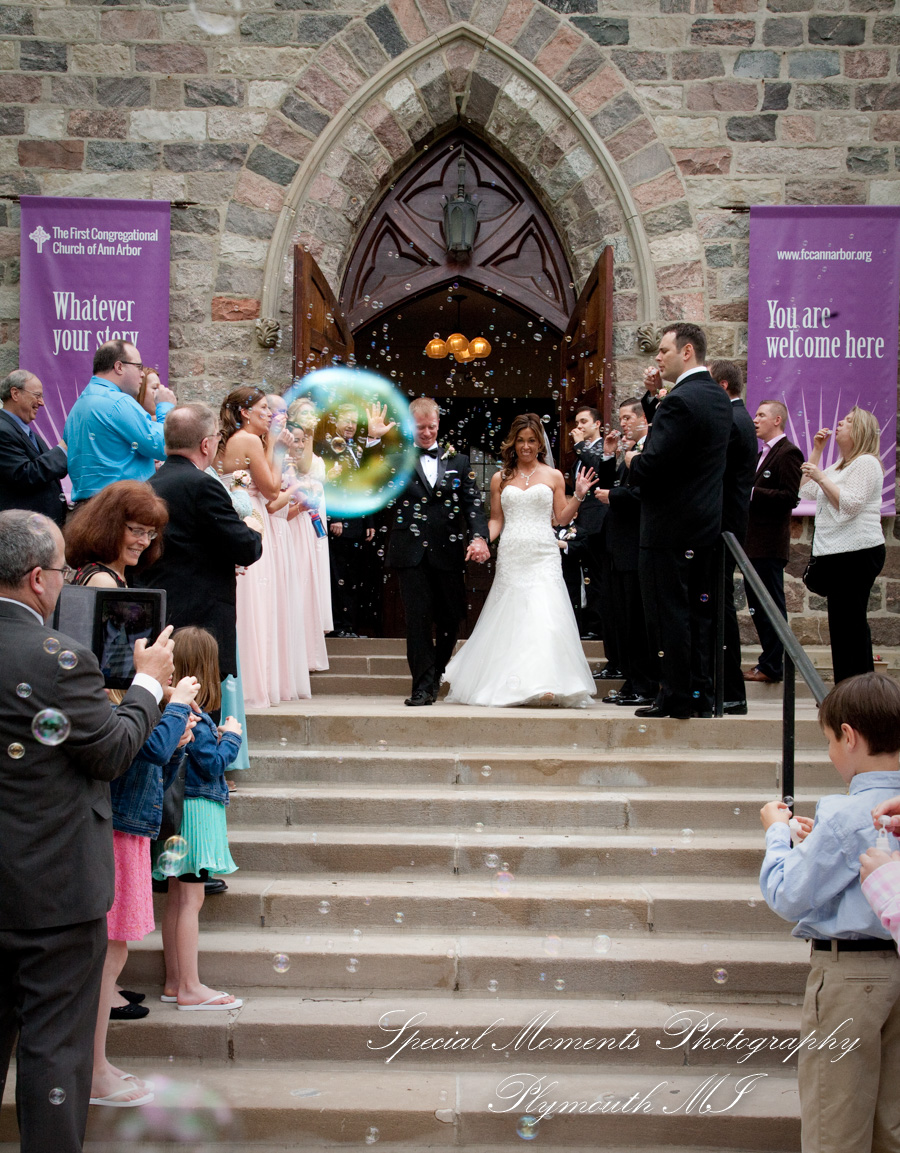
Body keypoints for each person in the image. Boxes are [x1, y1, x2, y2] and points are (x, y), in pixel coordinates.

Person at [0, 509, 174, 1153]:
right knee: (53, 1048)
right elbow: (111, 752)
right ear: (39, 580)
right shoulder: (59, 660)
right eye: (60, 572)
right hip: (51, 889)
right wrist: (150, 683)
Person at [759, 672, 900, 1153]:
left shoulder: (844, 813)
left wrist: (778, 835)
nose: (830, 754)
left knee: (834, 1125)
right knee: (892, 1127)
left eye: (828, 742)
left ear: (849, 735)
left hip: (849, 975)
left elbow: (788, 895)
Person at [90, 677, 199, 1108]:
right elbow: (143, 755)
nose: (170, 683)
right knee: (108, 955)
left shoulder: (138, 716)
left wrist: (177, 745)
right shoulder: (117, 712)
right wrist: (174, 709)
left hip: (131, 838)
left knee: (115, 954)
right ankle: (94, 1069)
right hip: (116, 838)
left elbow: (157, 773)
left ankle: (97, 1061)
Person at [442, 413, 598, 708]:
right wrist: (480, 541)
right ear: (513, 443)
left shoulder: (552, 476)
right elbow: (496, 520)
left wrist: (578, 495)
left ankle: (548, 681)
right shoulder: (502, 478)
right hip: (513, 553)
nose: (526, 446)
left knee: (546, 617)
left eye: (532, 441)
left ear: (540, 444)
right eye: (521, 440)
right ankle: (511, 681)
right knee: (513, 617)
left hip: (543, 552)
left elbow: (561, 517)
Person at [628, 323, 733, 719]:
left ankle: (674, 697)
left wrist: (632, 460)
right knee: (698, 616)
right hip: (703, 526)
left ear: (686, 352)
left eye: (663, 350)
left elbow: (654, 464)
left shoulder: (680, 401)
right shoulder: (716, 398)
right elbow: (687, 446)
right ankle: (698, 695)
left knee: (667, 615)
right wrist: (657, 399)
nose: (658, 357)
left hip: (668, 530)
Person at [140, 402, 264, 688]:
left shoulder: (149, 484)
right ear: (206, 444)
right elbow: (244, 548)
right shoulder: (202, 485)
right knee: (201, 712)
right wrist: (252, 530)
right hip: (199, 625)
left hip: (161, 616)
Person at [153, 628, 244, 1010]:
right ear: (207, 668)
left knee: (177, 900)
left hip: (179, 815)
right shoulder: (196, 715)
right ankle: (190, 986)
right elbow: (211, 765)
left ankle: (175, 981)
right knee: (191, 900)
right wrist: (232, 737)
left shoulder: (174, 709)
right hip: (197, 815)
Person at [385, 397, 490, 706]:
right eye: (420, 428)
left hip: (448, 548)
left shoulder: (458, 461)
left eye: (432, 427)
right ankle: (421, 685)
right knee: (417, 619)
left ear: (438, 425)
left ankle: (438, 672)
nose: (427, 433)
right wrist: (376, 439)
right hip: (410, 550)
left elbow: (473, 503)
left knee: (450, 618)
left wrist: (480, 537)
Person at [213, 387, 304, 707]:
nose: (270, 414)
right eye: (264, 409)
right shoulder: (248, 439)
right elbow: (270, 489)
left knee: (258, 602)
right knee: (253, 603)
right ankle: (251, 686)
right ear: (244, 413)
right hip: (251, 520)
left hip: (254, 517)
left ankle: (255, 683)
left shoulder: (247, 440)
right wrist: (278, 450)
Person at [799, 407, 885, 684]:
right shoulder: (840, 465)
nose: (840, 422)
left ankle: (857, 691)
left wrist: (821, 477)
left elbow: (850, 505)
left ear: (859, 431)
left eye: (848, 421)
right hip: (838, 554)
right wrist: (816, 450)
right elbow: (806, 490)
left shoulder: (866, 463)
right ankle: (846, 688)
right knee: (841, 626)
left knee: (851, 625)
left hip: (858, 553)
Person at [594, 399, 657, 707]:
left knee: (636, 621)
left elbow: (643, 495)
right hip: (617, 548)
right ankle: (632, 680)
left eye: (629, 417)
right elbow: (608, 487)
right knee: (622, 620)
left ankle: (644, 685)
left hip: (636, 546)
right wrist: (608, 455)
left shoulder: (649, 451)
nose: (624, 423)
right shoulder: (628, 453)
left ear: (645, 418)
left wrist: (614, 496)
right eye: (621, 418)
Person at [64, 340, 176, 503]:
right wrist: (165, 407)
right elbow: (163, 445)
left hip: (88, 507)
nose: (142, 374)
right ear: (119, 367)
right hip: (118, 507)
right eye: (138, 367)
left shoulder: (79, 404)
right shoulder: (117, 401)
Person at [743, 400, 804, 685]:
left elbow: (789, 498)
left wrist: (753, 492)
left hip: (768, 544)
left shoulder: (788, 452)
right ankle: (768, 661)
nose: (755, 419)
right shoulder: (760, 453)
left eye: (761, 415)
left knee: (771, 604)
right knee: (758, 604)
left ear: (777, 420)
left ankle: (773, 664)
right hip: (752, 544)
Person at [710, 359, 758, 717]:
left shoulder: (732, 421)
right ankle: (725, 688)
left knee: (720, 608)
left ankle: (729, 690)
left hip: (723, 526)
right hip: (726, 524)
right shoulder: (737, 416)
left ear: (722, 386)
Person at [321, 403, 375, 639]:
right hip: (339, 524)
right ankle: (338, 627)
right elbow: (330, 485)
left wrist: (370, 521)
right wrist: (336, 518)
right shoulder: (327, 449)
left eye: (354, 421)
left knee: (352, 578)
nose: (351, 425)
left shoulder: (357, 449)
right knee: (338, 576)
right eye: (346, 420)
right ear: (336, 421)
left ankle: (350, 627)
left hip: (357, 524)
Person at [65, 480, 168, 592]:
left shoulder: (109, 573)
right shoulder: (104, 581)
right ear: (110, 527)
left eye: (150, 533)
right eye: (138, 531)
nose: (146, 542)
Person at [565, 406, 611, 644]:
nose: (579, 426)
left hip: (599, 522)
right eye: (577, 422)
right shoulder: (580, 453)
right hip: (583, 522)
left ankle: (599, 625)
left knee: (598, 576)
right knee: (588, 577)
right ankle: (589, 622)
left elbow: (599, 470)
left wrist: (581, 445)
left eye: (584, 421)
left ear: (597, 425)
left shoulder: (606, 447)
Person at [0, 370, 69, 525]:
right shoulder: (3, 431)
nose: (41, 402)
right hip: (22, 531)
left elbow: (49, 474)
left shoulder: (26, 432)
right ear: (15, 393)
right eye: (37, 395)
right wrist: (62, 450)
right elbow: (24, 475)